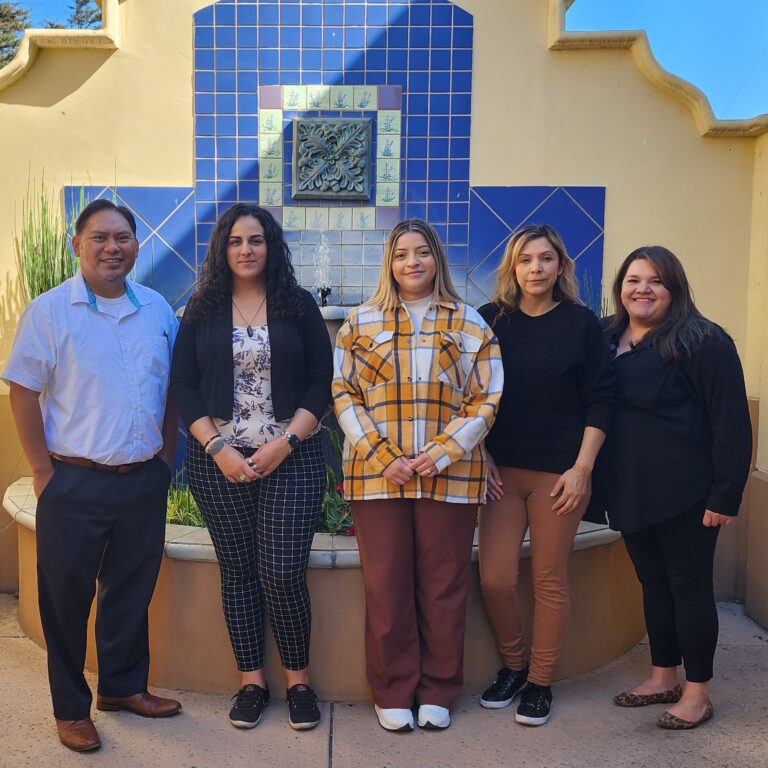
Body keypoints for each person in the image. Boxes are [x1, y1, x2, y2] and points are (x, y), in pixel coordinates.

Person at [2, 199, 181, 752]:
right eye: (100, 237)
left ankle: (123, 687)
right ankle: (71, 709)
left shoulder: (156, 310)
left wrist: (165, 459)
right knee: (66, 599)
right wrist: (41, 470)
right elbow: (23, 391)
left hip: (142, 480)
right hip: (73, 481)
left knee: (131, 590)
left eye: (123, 237)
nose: (113, 247)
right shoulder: (50, 312)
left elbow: (171, 391)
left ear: (136, 245)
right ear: (77, 245)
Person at [332, 218, 503, 732]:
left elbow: (487, 396)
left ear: (436, 260)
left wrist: (442, 452)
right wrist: (386, 456)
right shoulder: (359, 323)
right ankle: (393, 689)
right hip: (376, 475)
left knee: (444, 585)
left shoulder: (470, 323)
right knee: (386, 585)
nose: (412, 262)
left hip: (448, 476)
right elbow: (343, 393)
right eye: (402, 253)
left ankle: (438, 690)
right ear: (390, 262)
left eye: (422, 252)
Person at [170, 203, 332, 731]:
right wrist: (217, 448)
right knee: (238, 573)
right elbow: (184, 387)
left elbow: (319, 383)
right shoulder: (202, 308)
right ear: (223, 248)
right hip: (218, 462)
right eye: (236, 241)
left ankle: (299, 681)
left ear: (271, 246)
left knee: (283, 573)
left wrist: (285, 442)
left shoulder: (298, 305)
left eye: (256, 240)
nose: (246, 249)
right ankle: (251, 682)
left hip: (292, 457)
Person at [601, 246, 751, 730]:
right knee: (653, 587)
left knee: (688, 590)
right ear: (620, 287)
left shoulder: (703, 341)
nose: (642, 289)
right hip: (630, 492)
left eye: (656, 281)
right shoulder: (606, 335)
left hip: (688, 494)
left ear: (675, 288)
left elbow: (731, 422)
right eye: (633, 279)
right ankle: (663, 676)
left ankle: (697, 692)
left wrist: (725, 495)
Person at [476, 224, 614, 726]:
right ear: (512, 268)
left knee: (549, 579)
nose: (536, 268)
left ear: (561, 266)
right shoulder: (491, 320)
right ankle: (513, 666)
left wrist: (582, 468)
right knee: (494, 578)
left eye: (546, 259)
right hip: (502, 473)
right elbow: (475, 396)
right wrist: (482, 453)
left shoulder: (581, 324)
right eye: (526, 260)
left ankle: (540, 681)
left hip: (561, 475)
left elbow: (602, 398)